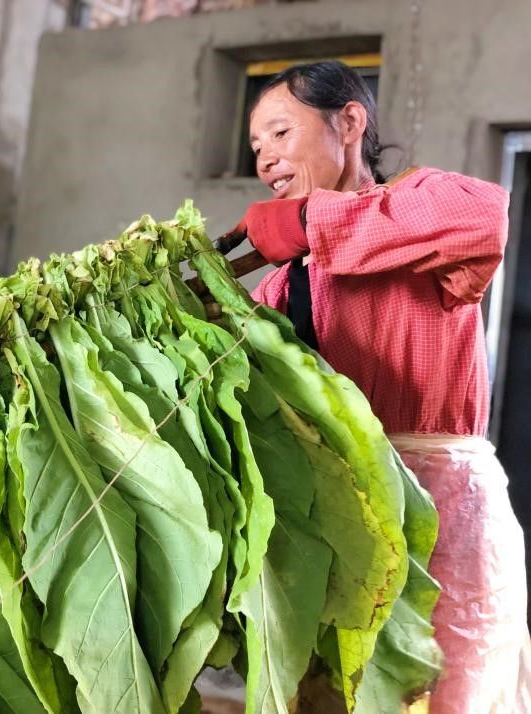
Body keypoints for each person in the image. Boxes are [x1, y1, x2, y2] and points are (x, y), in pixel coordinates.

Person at [226, 60, 529, 713]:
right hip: (337, 536)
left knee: (438, 694)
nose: (266, 157)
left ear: (349, 123)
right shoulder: (285, 285)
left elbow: (484, 217)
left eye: (280, 132)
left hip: (438, 526)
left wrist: (309, 221)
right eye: (256, 145)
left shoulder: (425, 206)